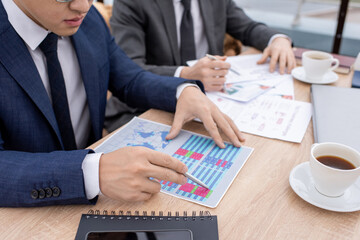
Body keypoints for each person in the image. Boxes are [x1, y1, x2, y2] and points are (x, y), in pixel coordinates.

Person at [0, 0, 245, 207]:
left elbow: (128, 78)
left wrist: (182, 91)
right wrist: (90, 171)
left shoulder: (90, 20)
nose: (83, 6)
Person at [110, 0, 297, 92]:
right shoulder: (132, 2)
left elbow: (247, 27)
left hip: (214, 93)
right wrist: (185, 75)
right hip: (152, 101)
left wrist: (277, 39)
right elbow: (130, 69)